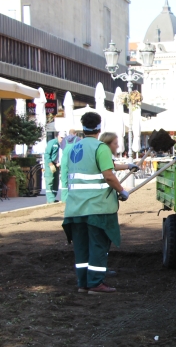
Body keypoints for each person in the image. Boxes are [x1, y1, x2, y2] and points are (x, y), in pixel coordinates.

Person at [62, 112, 130, 294]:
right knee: (98, 245)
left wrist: (126, 167)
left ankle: (83, 283)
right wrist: (122, 191)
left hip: (75, 208)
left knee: (82, 248)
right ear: (99, 128)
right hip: (97, 208)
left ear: (82, 127)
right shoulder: (101, 148)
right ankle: (96, 283)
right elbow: (108, 175)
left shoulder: (74, 148)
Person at [60, 129, 81, 200]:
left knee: (64, 178)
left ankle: (64, 198)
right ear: (75, 133)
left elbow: (62, 149)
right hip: (74, 160)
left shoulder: (64, 140)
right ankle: (74, 198)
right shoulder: (78, 139)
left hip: (64, 160)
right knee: (74, 177)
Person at [44, 131, 64, 203]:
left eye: (63, 138)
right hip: (51, 164)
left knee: (56, 181)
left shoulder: (61, 145)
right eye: (61, 137)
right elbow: (46, 154)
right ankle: (50, 199)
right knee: (50, 180)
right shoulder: (52, 143)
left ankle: (53, 197)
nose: (62, 139)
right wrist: (50, 164)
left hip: (56, 164)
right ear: (58, 136)